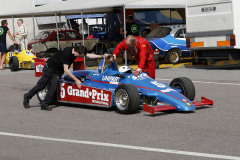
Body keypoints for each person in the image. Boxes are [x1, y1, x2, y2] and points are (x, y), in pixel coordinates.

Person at [23, 45, 110, 111]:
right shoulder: (67, 54)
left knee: (53, 87)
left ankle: (44, 104)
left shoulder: (77, 50)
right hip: (50, 68)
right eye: (80, 56)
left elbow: (89, 55)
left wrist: (102, 56)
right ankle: (27, 97)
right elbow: (66, 70)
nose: (81, 57)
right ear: (76, 53)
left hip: (57, 71)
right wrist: (76, 80)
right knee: (41, 85)